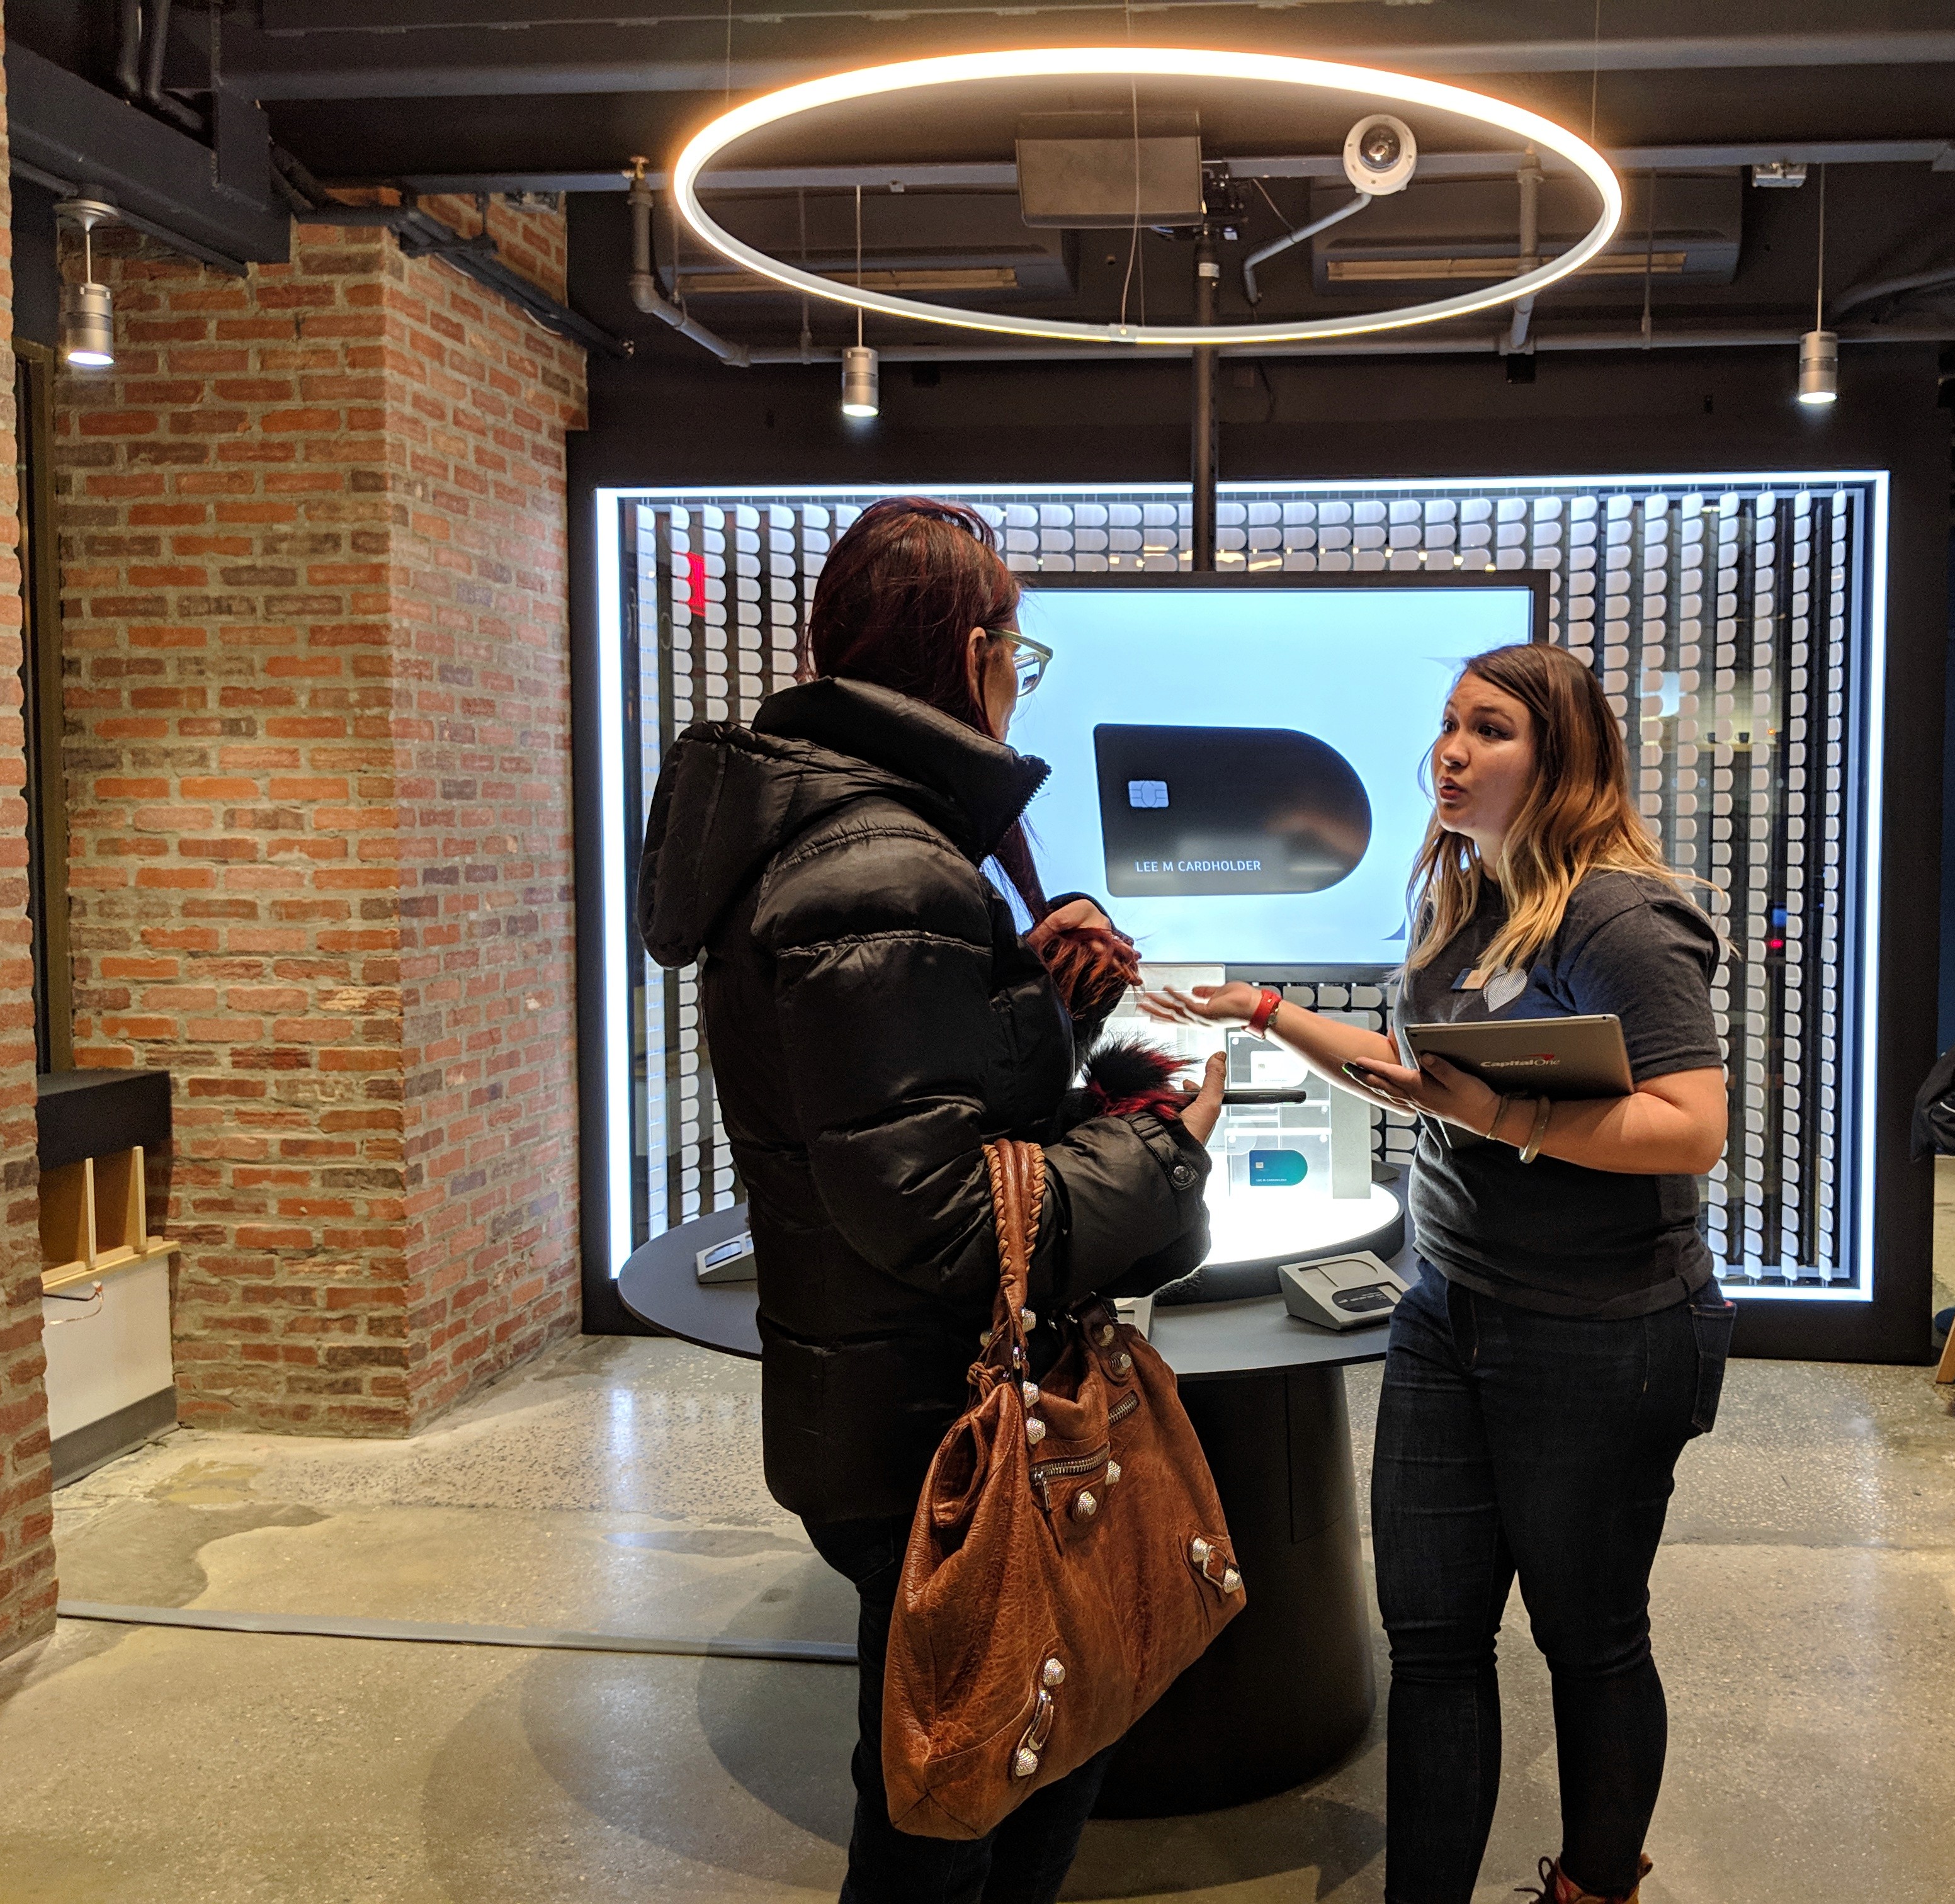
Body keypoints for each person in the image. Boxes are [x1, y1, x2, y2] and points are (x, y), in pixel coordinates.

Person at [634, 497, 1227, 1904]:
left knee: (991, 1761)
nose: (1022, 679)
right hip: (930, 1418)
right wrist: (1166, 1145)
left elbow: (913, 1105)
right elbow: (945, 1215)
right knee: (959, 1799)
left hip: (893, 1392)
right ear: (975, 655)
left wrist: (1043, 1001)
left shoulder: (852, 839)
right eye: (1020, 652)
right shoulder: (881, 866)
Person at [1145, 642, 1730, 1904]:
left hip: (1601, 1332)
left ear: (1563, 756)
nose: (1452, 752)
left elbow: (1690, 1128)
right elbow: (1420, 1079)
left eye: (1491, 729)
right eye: (1450, 724)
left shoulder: (1622, 918)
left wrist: (1507, 1119)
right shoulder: (1464, 898)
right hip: (1448, 1308)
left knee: (1588, 1636)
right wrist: (1260, 1011)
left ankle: (1595, 1886)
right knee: (1431, 1640)